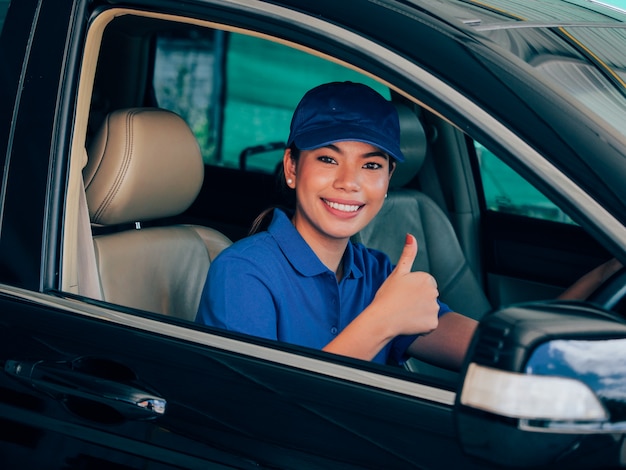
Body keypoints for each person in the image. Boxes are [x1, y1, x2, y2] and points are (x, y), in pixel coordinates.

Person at [196, 81, 621, 371]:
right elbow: (259, 416)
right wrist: (383, 320)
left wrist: (604, 274)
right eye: (328, 159)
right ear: (292, 168)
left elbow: (497, 349)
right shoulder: (243, 272)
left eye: (372, 165)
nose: (349, 181)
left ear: (387, 181)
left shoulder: (378, 272)